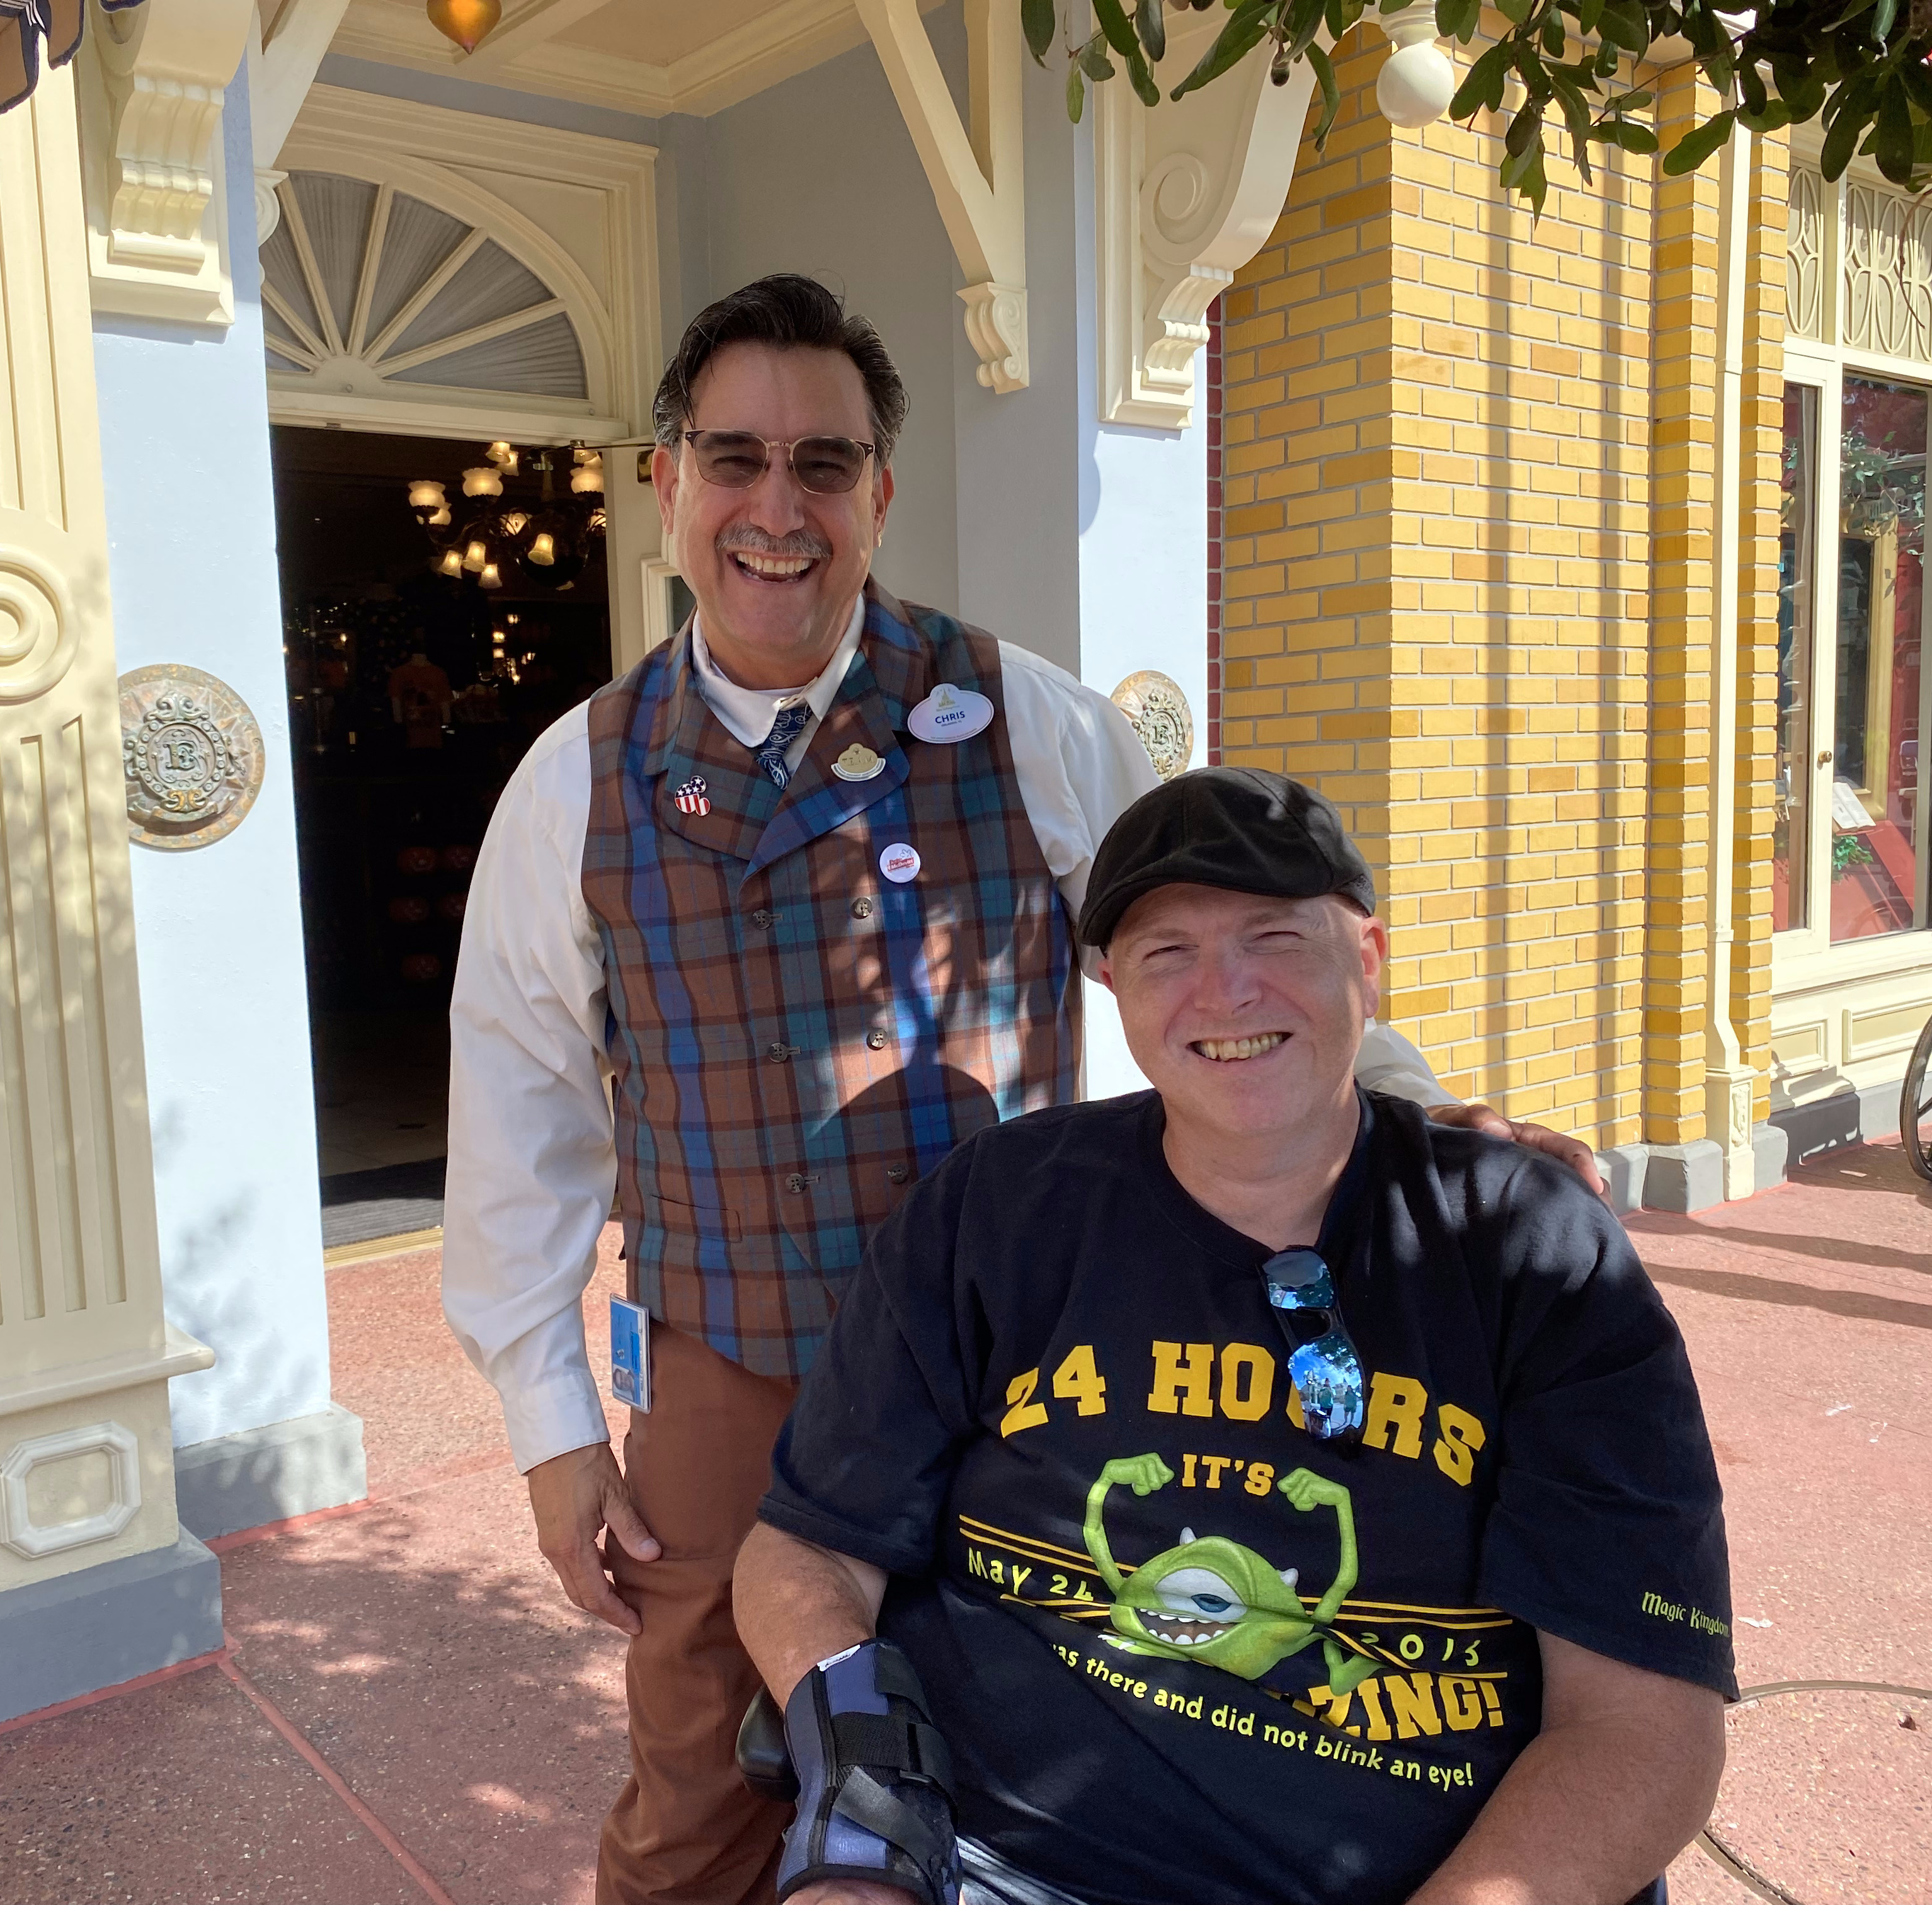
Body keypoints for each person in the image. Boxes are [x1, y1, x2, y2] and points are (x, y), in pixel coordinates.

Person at [444, 275, 1611, 1905]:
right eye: (734, 459)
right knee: (695, 1788)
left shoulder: (1028, 723)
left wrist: (1408, 1127)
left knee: (1025, 1758)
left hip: (1021, 1370)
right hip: (730, 1373)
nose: (777, 507)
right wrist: (552, 1430)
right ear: (667, 482)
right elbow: (524, 1110)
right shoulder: (574, 777)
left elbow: (1228, 953)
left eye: (824, 464)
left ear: (879, 494)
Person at [733, 767, 1734, 1905]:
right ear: (1113, 988)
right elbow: (808, 1548)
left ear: (1369, 960)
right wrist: (866, 1809)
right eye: (1169, 952)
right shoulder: (999, 1208)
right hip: (990, 1863)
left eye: (1276, 937)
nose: (1226, 991)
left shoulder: (1527, 1251)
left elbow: (1643, 1727)